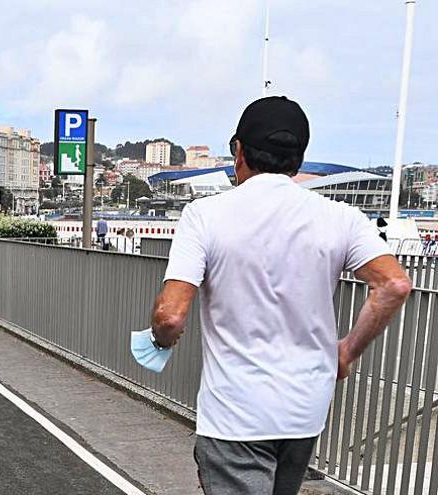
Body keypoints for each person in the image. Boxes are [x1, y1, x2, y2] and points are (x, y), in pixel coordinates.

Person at [149, 96, 412, 495]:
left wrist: (160, 341)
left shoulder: (205, 215)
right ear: (299, 158)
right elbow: (393, 284)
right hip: (304, 410)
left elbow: (170, 315)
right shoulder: (341, 217)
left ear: (238, 151)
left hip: (235, 414)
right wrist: (347, 352)